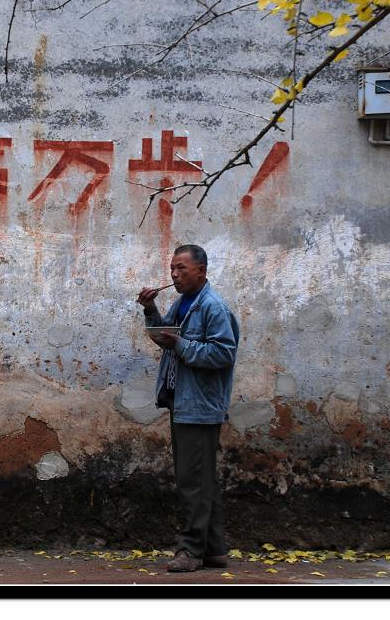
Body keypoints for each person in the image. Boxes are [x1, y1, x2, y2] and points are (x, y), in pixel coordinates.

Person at [136, 244, 240, 572]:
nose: (175, 275)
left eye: (182, 269)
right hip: (183, 401)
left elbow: (223, 354)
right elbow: (164, 336)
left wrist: (181, 345)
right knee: (200, 479)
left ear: (201, 271)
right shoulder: (185, 303)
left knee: (191, 481)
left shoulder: (213, 307)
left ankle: (191, 550)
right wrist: (151, 309)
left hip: (200, 405)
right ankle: (214, 549)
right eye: (172, 269)